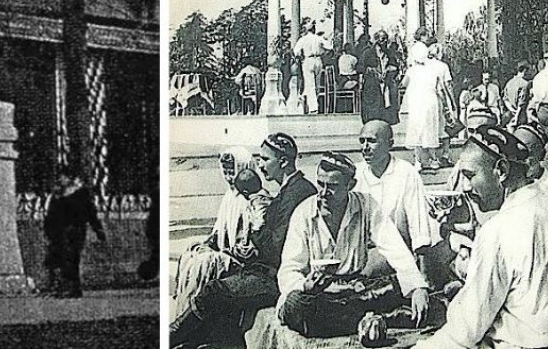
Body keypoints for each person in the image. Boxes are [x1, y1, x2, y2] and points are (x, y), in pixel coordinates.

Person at [417, 127, 548, 349]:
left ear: (501, 170)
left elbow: (465, 330)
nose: (465, 187)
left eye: (470, 176)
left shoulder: (497, 230)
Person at [170, 133, 315, 347]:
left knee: (215, 291)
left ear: (283, 162)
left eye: (265, 159)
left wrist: (257, 229)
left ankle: (171, 337)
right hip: (265, 269)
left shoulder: (299, 192)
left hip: (277, 278)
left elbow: (275, 249)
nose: (260, 165)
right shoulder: (288, 190)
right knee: (219, 289)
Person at [275, 152, 430, 338]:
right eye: (320, 184)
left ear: (351, 185)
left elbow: (394, 247)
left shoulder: (366, 205)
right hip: (318, 295)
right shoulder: (304, 212)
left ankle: (361, 320)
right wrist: (306, 286)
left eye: (332, 186)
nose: (323, 193)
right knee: (296, 305)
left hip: (355, 290)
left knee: (410, 292)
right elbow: (288, 270)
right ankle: (378, 319)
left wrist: (417, 288)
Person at [171, 168, 270, 311]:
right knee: (192, 251)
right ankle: (183, 303)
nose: (228, 177)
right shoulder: (231, 198)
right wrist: (209, 244)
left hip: (246, 261)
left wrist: (225, 251)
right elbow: (220, 232)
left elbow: (255, 241)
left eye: (232, 171)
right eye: (226, 171)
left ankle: (193, 309)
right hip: (232, 251)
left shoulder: (258, 204)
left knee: (204, 263)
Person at [354, 120, 435, 254]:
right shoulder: (355, 173)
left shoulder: (406, 172)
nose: (365, 147)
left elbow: (419, 223)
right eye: (362, 141)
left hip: (397, 253)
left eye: (372, 141)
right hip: (361, 253)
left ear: (389, 144)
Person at [42, 171, 105, 298]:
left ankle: (73, 288)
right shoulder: (58, 195)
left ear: (69, 178)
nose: (60, 180)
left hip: (75, 230)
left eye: (63, 177)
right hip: (59, 232)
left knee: (71, 258)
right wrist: (48, 230)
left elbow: (90, 212)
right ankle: (64, 287)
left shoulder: (80, 193)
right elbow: (51, 215)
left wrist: (98, 229)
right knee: (60, 259)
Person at [402, 51, 445, 171]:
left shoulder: (412, 70)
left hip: (417, 102)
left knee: (417, 130)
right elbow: (439, 88)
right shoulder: (433, 70)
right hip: (431, 102)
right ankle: (434, 160)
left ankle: (418, 161)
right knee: (430, 129)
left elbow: (403, 84)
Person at [295, 22, 333, 114]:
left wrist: (301, 57)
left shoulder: (303, 39)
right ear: (313, 29)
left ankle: (313, 107)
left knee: (310, 84)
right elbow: (330, 47)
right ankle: (313, 105)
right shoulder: (319, 38)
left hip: (308, 60)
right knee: (316, 84)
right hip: (318, 60)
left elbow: (296, 51)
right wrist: (324, 52)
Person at [358, 33, 387, 124]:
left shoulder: (387, 53)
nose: (384, 42)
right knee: (372, 100)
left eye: (385, 39)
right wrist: (370, 69)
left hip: (384, 81)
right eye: (382, 39)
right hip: (371, 81)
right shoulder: (368, 52)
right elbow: (360, 66)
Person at [503, 61, 531, 128]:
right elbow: (521, 103)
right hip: (522, 116)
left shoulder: (509, 83)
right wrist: (517, 116)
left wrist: (512, 110)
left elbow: (505, 99)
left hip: (511, 113)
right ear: (524, 70)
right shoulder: (525, 84)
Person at [336, 42, 359, 113]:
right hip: (349, 80)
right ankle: (356, 106)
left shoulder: (340, 58)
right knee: (359, 85)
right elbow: (355, 68)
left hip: (341, 80)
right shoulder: (353, 58)